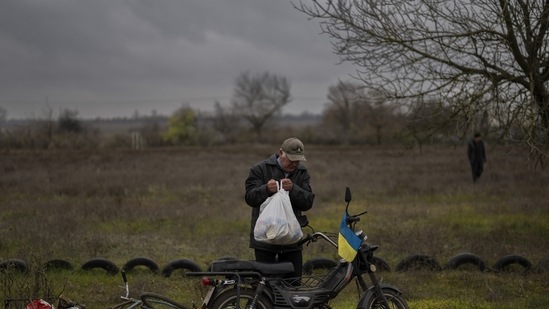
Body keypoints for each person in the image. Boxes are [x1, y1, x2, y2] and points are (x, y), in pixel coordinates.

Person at [245, 137, 315, 278]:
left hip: (291, 240)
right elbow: (250, 198)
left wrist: (293, 189)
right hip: (265, 240)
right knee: (266, 284)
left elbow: (308, 202)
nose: (294, 164)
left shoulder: (302, 173)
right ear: (281, 153)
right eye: (291, 160)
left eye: (298, 160)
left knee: (293, 283)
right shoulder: (259, 169)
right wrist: (266, 189)